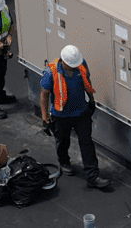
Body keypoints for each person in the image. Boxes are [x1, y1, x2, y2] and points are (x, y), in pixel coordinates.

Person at [39, 45, 110, 189]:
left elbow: (87, 82)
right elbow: (44, 95)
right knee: (62, 141)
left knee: (87, 143)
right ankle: (64, 162)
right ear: (63, 61)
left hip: (81, 113)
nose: (74, 67)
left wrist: (91, 99)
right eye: (70, 65)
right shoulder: (50, 72)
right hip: (61, 116)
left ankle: (93, 176)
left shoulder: (81, 64)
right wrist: (45, 117)